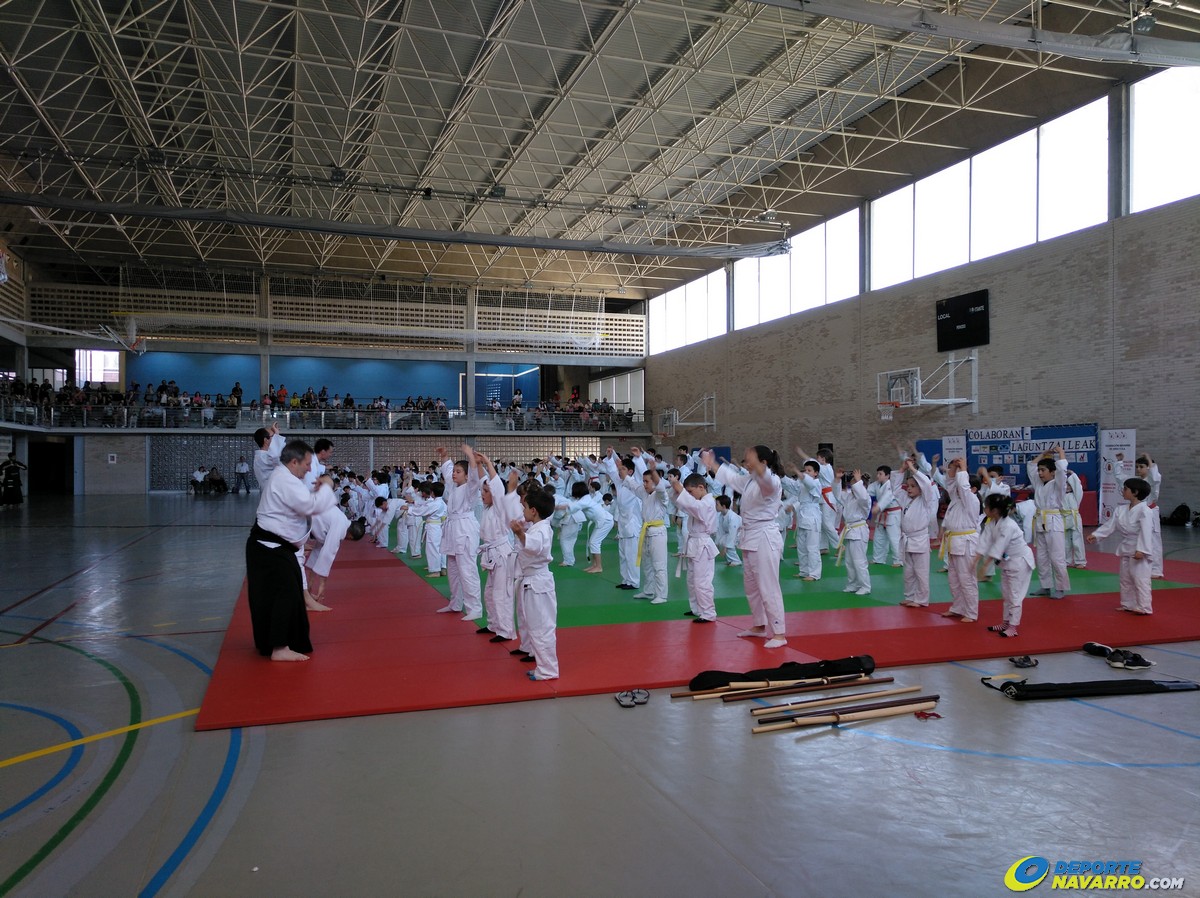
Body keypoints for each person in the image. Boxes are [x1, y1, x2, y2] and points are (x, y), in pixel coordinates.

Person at [245, 439, 338, 661]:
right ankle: (278, 648)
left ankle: (287, 642)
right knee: (283, 595)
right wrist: (327, 486)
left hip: (276, 547)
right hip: (270, 548)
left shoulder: (285, 476)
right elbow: (310, 506)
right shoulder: (285, 480)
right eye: (307, 464)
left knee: (289, 595)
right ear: (294, 462)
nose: (310, 468)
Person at [702, 445, 787, 648]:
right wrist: (712, 464)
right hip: (750, 536)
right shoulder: (749, 480)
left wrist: (759, 468)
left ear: (763, 463)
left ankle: (779, 633)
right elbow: (731, 479)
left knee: (768, 587)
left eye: (750, 461)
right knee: (752, 587)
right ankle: (759, 626)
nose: (746, 464)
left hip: (765, 537)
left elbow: (766, 481)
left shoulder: (771, 481)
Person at [1087, 477, 1155, 615]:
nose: (1122, 491)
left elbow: (1146, 531)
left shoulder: (1145, 511)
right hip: (1126, 548)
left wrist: (1142, 550)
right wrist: (1097, 535)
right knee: (1125, 579)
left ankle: (1144, 607)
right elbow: (1110, 525)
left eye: (1125, 489)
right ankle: (1128, 604)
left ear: (1135, 492)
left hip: (1138, 548)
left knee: (1140, 579)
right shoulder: (1121, 509)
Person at [511, 486, 559, 681]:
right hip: (532, 581)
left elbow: (535, 547)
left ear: (534, 511)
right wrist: (522, 533)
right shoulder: (536, 527)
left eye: (525, 507)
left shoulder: (542, 530)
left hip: (538, 582)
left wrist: (520, 535)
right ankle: (543, 666)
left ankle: (548, 670)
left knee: (542, 628)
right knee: (534, 627)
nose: (522, 510)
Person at [975, 494, 1036, 638]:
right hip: (1007, 562)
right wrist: (975, 560)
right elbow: (984, 542)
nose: (984, 508)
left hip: (1020, 562)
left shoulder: (1009, 525)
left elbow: (999, 546)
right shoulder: (992, 523)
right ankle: (1005, 622)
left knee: (1015, 596)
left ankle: (1013, 627)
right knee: (1007, 595)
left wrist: (985, 566)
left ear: (995, 510)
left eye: (986, 506)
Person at [477, 451, 521, 642]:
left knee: (501, 593)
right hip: (491, 552)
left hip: (502, 554)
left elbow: (494, 485)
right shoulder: (487, 509)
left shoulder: (500, 506)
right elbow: (483, 481)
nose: (482, 495)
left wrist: (486, 460)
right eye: (482, 492)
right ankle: (493, 624)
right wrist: (478, 464)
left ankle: (506, 630)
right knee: (489, 592)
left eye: (486, 493)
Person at [437, 444, 483, 620]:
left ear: (466, 475)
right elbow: (447, 470)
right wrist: (444, 455)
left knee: (467, 570)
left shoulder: (471, 488)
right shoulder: (453, 485)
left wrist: (470, 455)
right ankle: (456, 603)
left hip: (465, 529)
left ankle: (475, 608)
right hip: (452, 529)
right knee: (453, 570)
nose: (454, 474)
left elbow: (473, 472)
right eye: (454, 471)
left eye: (458, 471)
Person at [667, 470, 718, 622]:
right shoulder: (698, 502)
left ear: (701, 487)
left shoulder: (707, 503)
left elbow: (692, 506)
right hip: (694, 543)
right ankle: (697, 609)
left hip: (702, 544)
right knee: (691, 579)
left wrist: (681, 490)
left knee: (702, 581)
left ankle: (708, 613)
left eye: (691, 491)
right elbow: (683, 504)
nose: (689, 494)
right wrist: (676, 490)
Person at [939, 458, 981, 623]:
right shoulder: (957, 500)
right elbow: (951, 484)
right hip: (954, 542)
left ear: (974, 488)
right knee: (954, 578)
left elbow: (963, 487)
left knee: (967, 579)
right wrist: (954, 469)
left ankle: (971, 612)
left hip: (966, 542)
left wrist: (963, 467)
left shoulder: (972, 499)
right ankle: (958, 607)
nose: (957, 487)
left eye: (962, 484)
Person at [1027, 446, 1071, 599]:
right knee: (1042, 557)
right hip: (1040, 520)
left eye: (1043, 470)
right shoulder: (1038, 483)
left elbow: (1062, 470)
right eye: (1039, 470)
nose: (1039, 473)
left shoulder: (1059, 484)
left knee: (1057, 557)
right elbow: (1031, 465)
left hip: (1053, 520)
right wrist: (1043, 454)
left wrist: (1060, 453)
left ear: (1052, 472)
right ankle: (1045, 586)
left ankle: (1060, 588)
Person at [897, 458, 938, 608]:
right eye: (908, 486)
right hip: (907, 540)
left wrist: (913, 470)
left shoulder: (926, 500)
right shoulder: (905, 499)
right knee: (908, 572)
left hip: (919, 539)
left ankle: (921, 599)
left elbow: (927, 484)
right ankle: (909, 595)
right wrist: (902, 470)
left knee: (921, 572)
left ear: (921, 488)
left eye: (913, 486)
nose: (909, 489)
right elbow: (894, 489)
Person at [833, 468, 872, 596]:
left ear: (861, 485)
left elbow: (862, 496)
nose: (852, 486)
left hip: (859, 530)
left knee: (859, 561)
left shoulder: (865, 498)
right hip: (850, 530)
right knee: (849, 561)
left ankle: (865, 586)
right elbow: (837, 496)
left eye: (855, 483)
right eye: (852, 483)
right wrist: (838, 479)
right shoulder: (850, 496)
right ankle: (853, 584)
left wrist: (858, 481)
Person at [1135, 454, 1165, 579]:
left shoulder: (1153, 481)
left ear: (1148, 468)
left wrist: (1148, 459)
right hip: (1140, 513)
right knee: (1141, 540)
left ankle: (1156, 570)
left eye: (1141, 467)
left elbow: (1155, 476)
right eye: (1137, 467)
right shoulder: (1138, 482)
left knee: (1154, 541)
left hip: (1151, 512)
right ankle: (1143, 567)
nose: (1138, 469)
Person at [869, 465, 902, 567]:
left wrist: (878, 507)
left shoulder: (891, 486)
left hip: (892, 514)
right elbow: (867, 491)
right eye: (877, 473)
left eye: (880, 474)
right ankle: (878, 558)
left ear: (887, 476)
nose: (878, 476)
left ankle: (899, 560)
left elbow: (887, 498)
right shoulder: (877, 484)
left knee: (894, 538)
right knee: (879, 537)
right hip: (882, 514)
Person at [714, 494, 741, 566]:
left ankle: (736, 560)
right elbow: (720, 531)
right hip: (731, 534)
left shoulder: (732, 517)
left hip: (741, 534)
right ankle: (730, 560)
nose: (715, 506)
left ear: (723, 506)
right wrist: (716, 545)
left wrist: (725, 548)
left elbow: (732, 534)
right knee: (721, 540)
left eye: (717, 504)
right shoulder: (721, 515)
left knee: (727, 542)